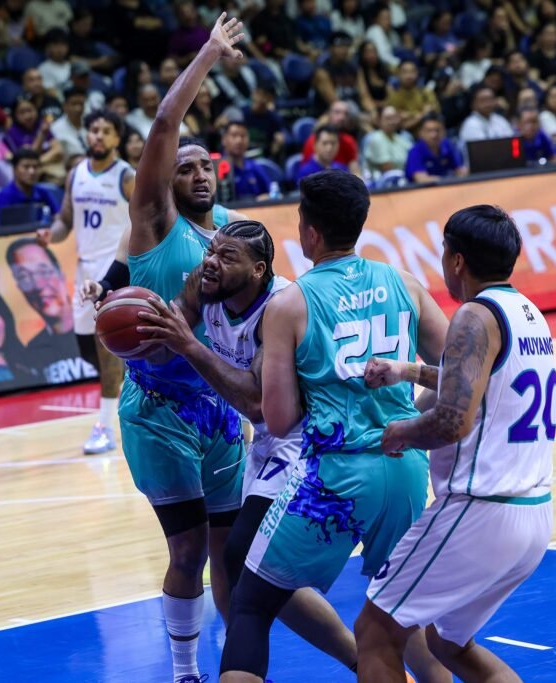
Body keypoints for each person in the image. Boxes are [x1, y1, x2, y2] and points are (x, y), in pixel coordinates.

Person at [217, 170, 450, 683]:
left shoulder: (289, 303)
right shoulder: (403, 282)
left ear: (309, 232)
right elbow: (461, 369)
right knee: (397, 618)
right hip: (406, 470)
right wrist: (411, 403)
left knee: (251, 601)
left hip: (337, 476)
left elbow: (277, 419)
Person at [133, 220, 361, 674]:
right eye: (212, 251)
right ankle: (364, 663)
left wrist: (188, 348)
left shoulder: (280, 307)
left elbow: (257, 403)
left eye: (227, 256)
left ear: (258, 270)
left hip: (308, 441)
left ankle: (364, 661)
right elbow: (165, 343)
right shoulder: (205, 282)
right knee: (252, 575)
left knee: (240, 562)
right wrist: (131, 336)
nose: (212, 262)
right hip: (268, 445)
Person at [355, 205, 556, 683]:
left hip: (478, 509)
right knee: (448, 643)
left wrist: (400, 433)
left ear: (457, 260)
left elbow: (452, 421)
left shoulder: (473, 314)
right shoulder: (527, 313)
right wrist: (406, 370)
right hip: (533, 513)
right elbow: (479, 381)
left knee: (376, 630)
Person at [113, 15, 249, 683]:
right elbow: (165, 126)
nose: (199, 173)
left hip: (219, 403)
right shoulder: (154, 221)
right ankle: (183, 669)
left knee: (231, 552)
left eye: (207, 165)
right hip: (161, 406)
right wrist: (208, 55)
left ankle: (238, 668)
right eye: (187, 167)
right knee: (189, 545)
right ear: (166, 180)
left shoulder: (231, 230)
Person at [39, 109, 133, 455]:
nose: (98, 136)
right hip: (83, 271)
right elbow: (66, 220)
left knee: (106, 350)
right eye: (94, 130)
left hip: (114, 272)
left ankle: (105, 427)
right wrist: (51, 234)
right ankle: (131, 394)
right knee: (86, 348)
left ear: (116, 139)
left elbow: (145, 220)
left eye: (106, 131)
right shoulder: (76, 172)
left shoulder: (126, 176)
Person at [6, 238, 97, 385]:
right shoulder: (33, 352)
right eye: (23, 276)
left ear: (61, 275)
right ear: (19, 288)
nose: (38, 285)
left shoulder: (99, 327)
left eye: (43, 271)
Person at [0, 149, 59, 223]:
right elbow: (2, 228)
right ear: (14, 169)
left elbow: (57, 217)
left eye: (35, 167)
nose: (32, 172)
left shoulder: (43, 193)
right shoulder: (4, 196)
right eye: (26, 167)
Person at [405, 113, 467, 184]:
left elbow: (460, 171)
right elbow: (421, 179)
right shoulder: (415, 151)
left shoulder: (448, 145)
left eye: (437, 130)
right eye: (429, 131)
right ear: (421, 133)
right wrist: (447, 180)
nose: (434, 135)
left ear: (444, 131)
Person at [219, 121, 272, 200]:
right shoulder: (217, 168)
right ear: (224, 140)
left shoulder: (255, 167)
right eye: (234, 136)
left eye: (243, 136)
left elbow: (272, 193)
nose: (239, 140)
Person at [364, 106, 413, 175]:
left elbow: (414, 158)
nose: (392, 122)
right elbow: (388, 170)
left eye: (394, 118)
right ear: (379, 120)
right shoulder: (376, 138)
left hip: (406, 179)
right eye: (388, 118)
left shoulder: (403, 138)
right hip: (385, 182)